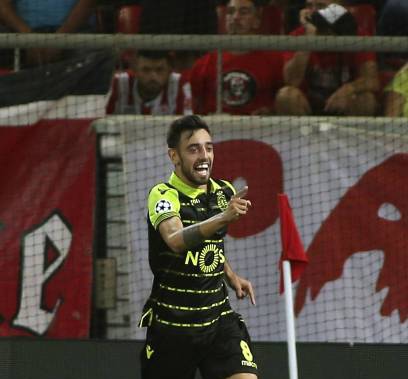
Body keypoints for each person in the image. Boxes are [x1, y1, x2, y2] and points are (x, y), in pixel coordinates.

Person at [140, 115, 258, 379]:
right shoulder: (163, 194)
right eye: (193, 149)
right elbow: (176, 239)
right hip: (173, 325)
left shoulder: (224, 191)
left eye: (209, 147)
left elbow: (212, 244)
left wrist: (230, 274)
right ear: (174, 156)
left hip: (218, 319)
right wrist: (223, 217)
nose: (204, 156)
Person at [275, 1, 380, 116]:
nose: (314, 11)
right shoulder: (297, 36)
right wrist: (309, 37)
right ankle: (303, 134)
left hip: (344, 104)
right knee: (286, 96)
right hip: (308, 107)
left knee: (366, 100)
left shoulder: (357, 36)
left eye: (321, 6)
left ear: (338, 10)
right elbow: (292, 81)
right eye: (309, 6)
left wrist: (348, 89)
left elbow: (372, 80)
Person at [190, 0, 283, 115]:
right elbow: (196, 110)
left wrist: (271, 113)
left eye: (243, 12)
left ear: (257, 20)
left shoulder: (275, 60)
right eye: (230, 12)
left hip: (261, 129)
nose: (235, 17)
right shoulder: (203, 65)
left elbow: (282, 102)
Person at [0, 0, 96, 66]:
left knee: (89, 59)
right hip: (22, 34)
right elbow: (3, 5)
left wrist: (60, 39)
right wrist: (28, 37)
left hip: (75, 32)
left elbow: (88, 3)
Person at [106, 50, 192, 115]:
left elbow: (189, 128)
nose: (153, 77)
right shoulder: (119, 84)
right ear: (135, 69)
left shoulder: (180, 85)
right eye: (146, 70)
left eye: (159, 70)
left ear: (169, 70)